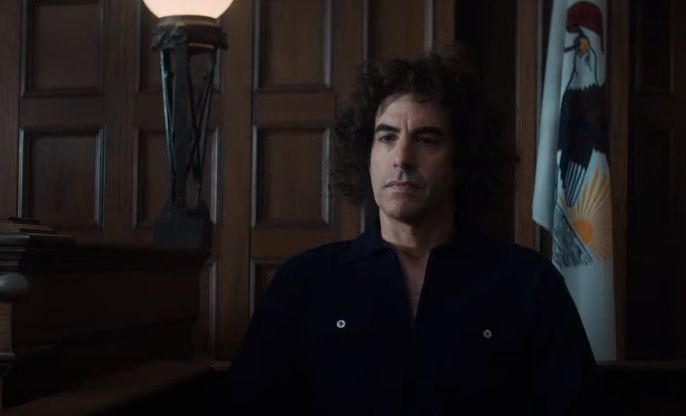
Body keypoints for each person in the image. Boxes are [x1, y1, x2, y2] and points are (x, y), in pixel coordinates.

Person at [220, 48, 597, 415]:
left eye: (426, 140)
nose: (401, 158)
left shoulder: (528, 284)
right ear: (366, 156)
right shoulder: (304, 283)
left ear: (461, 161)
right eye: (387, 138)